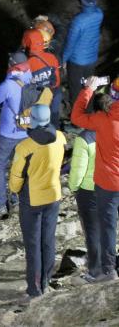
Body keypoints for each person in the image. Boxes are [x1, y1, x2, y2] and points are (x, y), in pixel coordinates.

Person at [8, 102, 64, 299]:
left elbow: (16, 178)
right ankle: (46, 281)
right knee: (48, 240)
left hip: (32, 199)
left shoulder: (24, 147)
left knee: (33, 244)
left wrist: (14, 191)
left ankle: (35, 288)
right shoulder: (60, 138)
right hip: (54, 194)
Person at [71, 76, 119, 282]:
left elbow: (76, 117)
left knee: (108, 226)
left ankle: (109, 271)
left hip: (108, 183)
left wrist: (88, 90)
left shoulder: (103, 119)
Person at [0, 52, 34, 219]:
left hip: (9, 133)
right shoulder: (31, 77)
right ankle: (17, 199)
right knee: (20, 165)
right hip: (27, 130)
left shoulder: (9, 84)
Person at [69, 98, 101, 282]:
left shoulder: (85, 138)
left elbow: (78, 170)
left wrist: (74, 187)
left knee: (93, 231)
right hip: (113, 186)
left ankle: (96, 270)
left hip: (90, 190)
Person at [61, 0, 103, 115]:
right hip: (91, 59)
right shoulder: (99, 14)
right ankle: (89, 113)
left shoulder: (78, 21)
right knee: (89, 86)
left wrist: (63, 60)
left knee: (75, 89)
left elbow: (70, 44)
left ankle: (77, 119)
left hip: (76, 61)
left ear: (82, 2)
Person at [23, 27, 63, 128]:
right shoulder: (51, 57)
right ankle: (55, 134)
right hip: (54, 94)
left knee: (32, 120)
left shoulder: (25, 63)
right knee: (54, 116)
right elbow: (57, 81)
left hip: (37, 100)